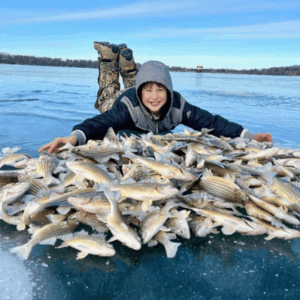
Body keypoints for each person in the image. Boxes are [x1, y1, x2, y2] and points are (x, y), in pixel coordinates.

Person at [38, 43, 272, 154]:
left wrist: (250, 136)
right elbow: (98, 124)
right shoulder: (127, 108)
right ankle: (109, 58)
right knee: (108, 94)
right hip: (126, 107)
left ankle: (130, 66)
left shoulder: (179, 107)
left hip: (138, 99)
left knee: (140, 88)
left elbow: (213, 123)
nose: (155, 96)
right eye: (149, 89)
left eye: (161, 90)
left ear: (169, 91)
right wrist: (73, 137)